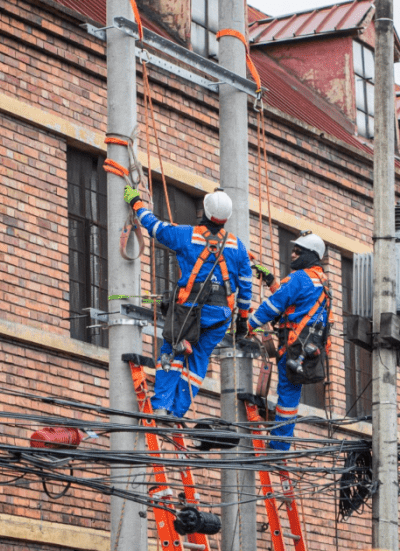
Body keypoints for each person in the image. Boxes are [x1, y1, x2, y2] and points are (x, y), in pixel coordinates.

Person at [124, 185, 253, 419]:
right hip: (221, 315)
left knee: (173, 353)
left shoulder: (187, 235)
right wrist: (243, 320)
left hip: (189, 311)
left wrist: (136, 203)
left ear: (204, 210)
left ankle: (162, 405)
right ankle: (178, 411)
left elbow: (154, 227)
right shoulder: (238, 247)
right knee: (197, 362)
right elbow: (245, 287)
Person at [246, 231, 332, 451]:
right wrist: (272, 281)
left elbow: (274, 306)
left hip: (294, 347)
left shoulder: (299, 278)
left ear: (311, 255)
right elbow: (294, 303)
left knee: (287, 395)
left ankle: (279, 444)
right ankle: (281, 442)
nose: (292, 254)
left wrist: (246, 325)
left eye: (298, 251)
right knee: (290, 396)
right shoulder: (321, 282)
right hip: (307, 349)